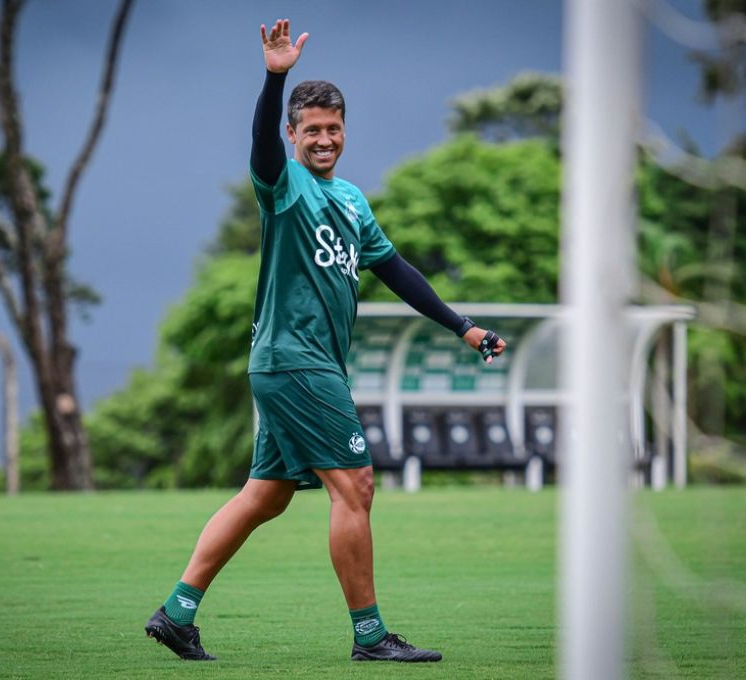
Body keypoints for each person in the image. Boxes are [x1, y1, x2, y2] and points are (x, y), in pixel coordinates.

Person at [144, 18, 506, 663]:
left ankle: (177, 612)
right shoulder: (283, 186)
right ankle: (370, 636)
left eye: (332, 128)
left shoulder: (352, 199)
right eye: (309, 128)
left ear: (345, 131)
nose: (323, 138)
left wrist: (463, 325)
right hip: (296, 361)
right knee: (356, 484)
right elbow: (258, 145)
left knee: (267, 494)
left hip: (299, 367)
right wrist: (274, 75)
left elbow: (395, 270)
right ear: (292, 134)